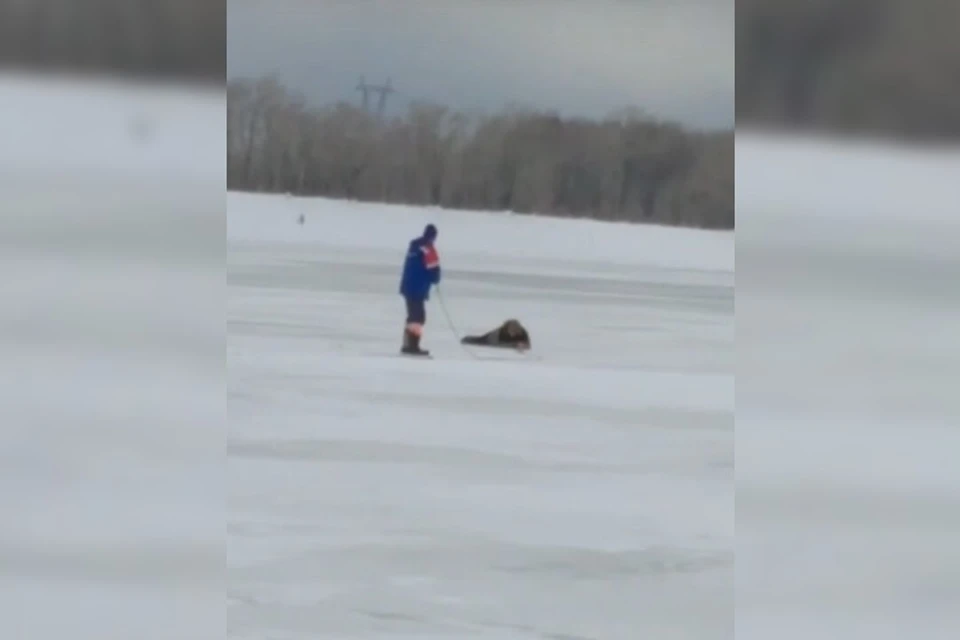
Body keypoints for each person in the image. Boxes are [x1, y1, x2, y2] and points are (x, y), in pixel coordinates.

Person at [399, 223, 441, 355]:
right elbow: (434, 270)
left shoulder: (414, 246)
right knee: (418, 317)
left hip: (407, 286)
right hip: (417, 288)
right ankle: (412, 346)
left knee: (412, 316)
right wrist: (435, 278)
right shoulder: (428, 248)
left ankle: (407, 344)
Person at [461, 319, 531, 351]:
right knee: (480, 341)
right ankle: (467, 339)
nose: (513, 332)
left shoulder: (523, 333)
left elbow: (528, 345)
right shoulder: (501, 332)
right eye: (511, 330)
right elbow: (497, 344)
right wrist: (514, 345)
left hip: (503, 340)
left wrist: (523, 345)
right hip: (490, 338)